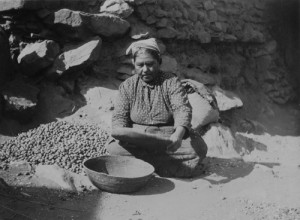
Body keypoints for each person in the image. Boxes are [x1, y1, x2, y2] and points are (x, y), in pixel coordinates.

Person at [107, 38, 207, 178]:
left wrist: (177, 136)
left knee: (199, 148)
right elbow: (119, 116)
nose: (145, 70)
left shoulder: (171, 82)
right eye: (140, 65)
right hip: (138, 139)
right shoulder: (127, 86)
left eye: (150, 64)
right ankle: (167, 167)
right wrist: (123, 134)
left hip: (167, 137)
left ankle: (142, 167)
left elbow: (182, 109)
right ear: (133, 64)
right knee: (114, 149)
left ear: (159, 62)